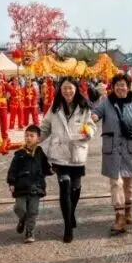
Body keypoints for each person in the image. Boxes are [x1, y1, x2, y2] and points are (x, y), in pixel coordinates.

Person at [91, 74, 132, 235]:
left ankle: (128, 210)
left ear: (128, 86)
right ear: (113, 87)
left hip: (130, 149)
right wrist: (94, 117)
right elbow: (96, 113)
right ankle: (119, 216)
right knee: (116, 182)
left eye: (123, 84)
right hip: (111, 149)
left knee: (129, 184)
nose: (120, 87)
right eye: (117, 84)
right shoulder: (106, 102)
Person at [38, 77, 95, 243]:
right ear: (60, 90)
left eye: (70, 88)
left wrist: (89, 132)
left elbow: (91, 125)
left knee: (75, 189)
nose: (67, 91)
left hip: (77, 153)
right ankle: (68, 226)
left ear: (75, 89)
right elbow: (45, 127)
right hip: (59, 154)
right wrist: (35, 139)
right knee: (65, 186)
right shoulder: (55, 107)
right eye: (64, 88)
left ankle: (71, 213)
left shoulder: (83, 107)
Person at [6, 124, 52, 243]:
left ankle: (29, 232)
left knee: (33, 211)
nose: (28, 138)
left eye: (32, 136)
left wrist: (52, 170)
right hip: (21, 186)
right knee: (19, 208)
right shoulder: (19, 153)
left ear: (38, 138)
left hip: (36, 186)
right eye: (26, 135)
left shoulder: (40, 152)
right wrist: (11, 182)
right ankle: (23, 220)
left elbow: (46, 167)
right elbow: (13, 169)